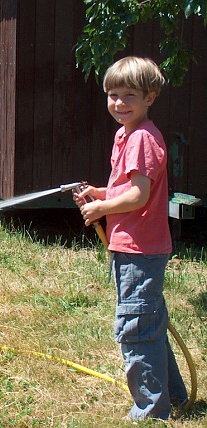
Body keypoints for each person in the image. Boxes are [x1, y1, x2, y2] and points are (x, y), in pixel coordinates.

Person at [75, 56, 188, 420]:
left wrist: (102, 210)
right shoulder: (125, 135)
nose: (119, 103)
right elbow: (127, 188)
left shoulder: (141, 138)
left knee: (136, 327)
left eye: (129, 95)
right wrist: (101, 193)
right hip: (133, 246)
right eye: (112, 94)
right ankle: (173, 395)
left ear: (150, 97)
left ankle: (151, 409)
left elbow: (139, 197)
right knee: (148, 321)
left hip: (140, 250)